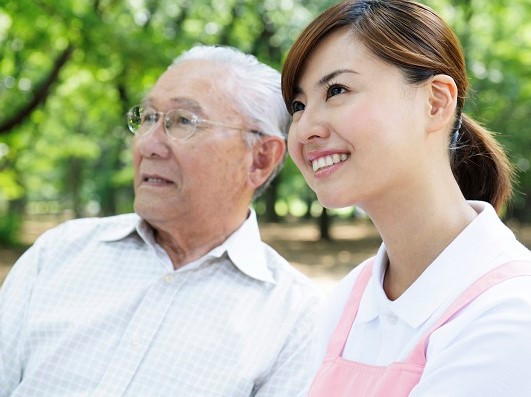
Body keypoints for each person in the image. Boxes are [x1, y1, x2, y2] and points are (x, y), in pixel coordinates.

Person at [0, 45, 323, 397]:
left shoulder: (295, 318)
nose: (149, 144)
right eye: (149, 118)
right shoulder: (58, 253)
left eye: (183, 121)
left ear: (260, 158)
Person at [281, 0, 531, 395]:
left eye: (337, 90)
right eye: (298, 105)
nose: (305, 127)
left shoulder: (512, 311)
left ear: (436, 102)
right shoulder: (352, 296)